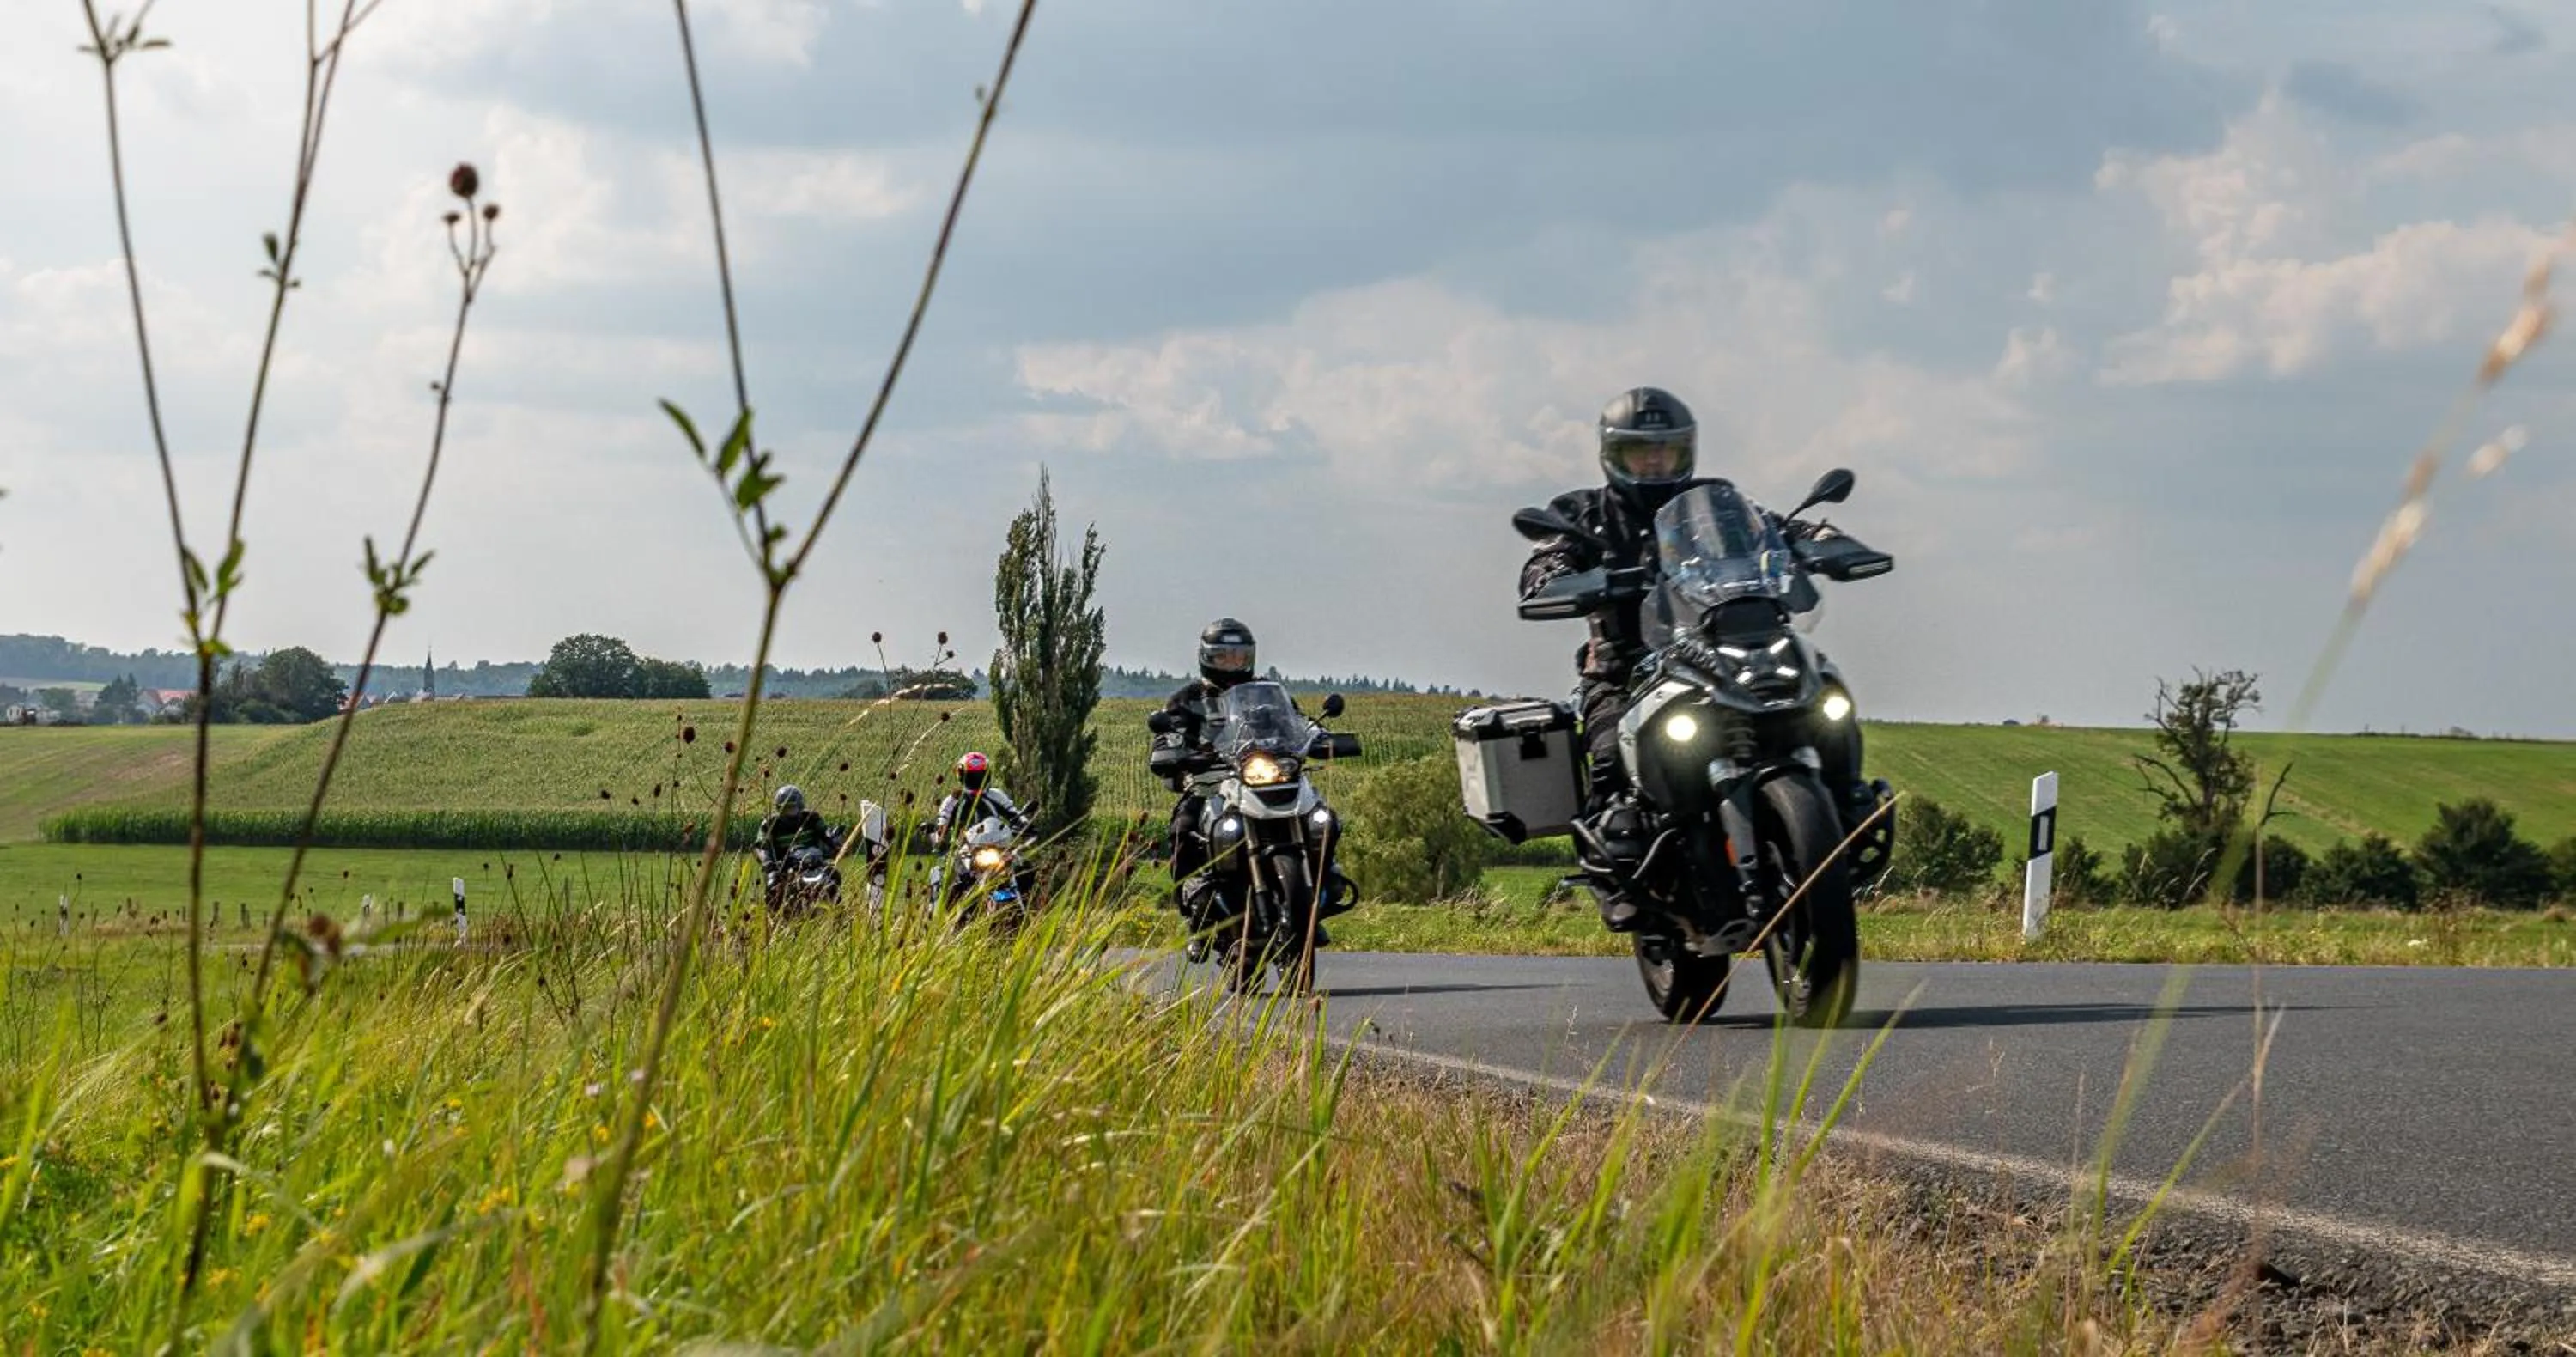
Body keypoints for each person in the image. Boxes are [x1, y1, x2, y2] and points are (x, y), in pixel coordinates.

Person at [1517, 386, 1715, 931]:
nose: (1655, 461)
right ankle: (1614, 873)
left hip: (1716, 667)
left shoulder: (1710, 500)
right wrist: (1556, 576)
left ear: (1685, 452)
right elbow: (1543, 563)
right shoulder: (1583, 514)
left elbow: (1767, 529)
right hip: (1624, 674)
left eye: (1667, 450)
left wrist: (1814, 537)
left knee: (1815, 704)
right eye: (1640, 451)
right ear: (1615, 454)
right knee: (1608, 755)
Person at [1155, 617, 1327, 960]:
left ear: (1250, 657)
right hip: (1211, 785)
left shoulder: (1266, 693)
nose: (1232, 663)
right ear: (1207, 657)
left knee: (1323, 819)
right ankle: (1196, 919)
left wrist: (1319, 736)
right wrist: (1172, 752)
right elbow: (1166, 736)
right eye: (1223, 656)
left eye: (1238, 656)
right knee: (1183, 829)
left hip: (1266, 779)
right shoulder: (1186, 700)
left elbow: (1298, 724)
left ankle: (1313, 899)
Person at [929, 751, 1030, 851]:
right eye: (971, 777)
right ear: (961, 776)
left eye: (980, 776)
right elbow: (941, 823)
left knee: (1020, 863)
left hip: (996, 847)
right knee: (939, 868)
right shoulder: (953, 800)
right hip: (962, 851)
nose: (976, 781)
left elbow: (1014, 813)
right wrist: (939, 839)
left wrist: (1025, 824)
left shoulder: (996, 795)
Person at [756, 784, 834, 862]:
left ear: (800, 806)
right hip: (784, 868)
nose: (790, 812)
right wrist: (768, 863)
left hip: (815, 863)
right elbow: (761, 847)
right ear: (779, 809)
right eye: (786, 808)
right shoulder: (769, 824)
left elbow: (826, 832)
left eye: (793, 807)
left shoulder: (812, 818)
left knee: (833, 873)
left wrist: (834, 841)